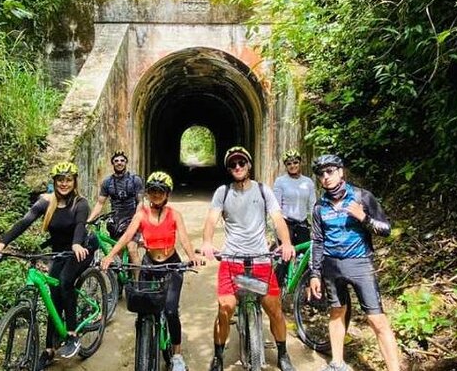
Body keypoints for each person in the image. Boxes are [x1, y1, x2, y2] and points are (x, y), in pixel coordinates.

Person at [0, 161, 98, 370]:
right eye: (60, 180)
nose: (64, 183)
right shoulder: (46, 202)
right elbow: (24, 222)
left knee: (64, 282)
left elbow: (80, 225)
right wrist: (1, 244)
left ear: (74, 182)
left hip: (81, 249)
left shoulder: (80, 203)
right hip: (59, 251)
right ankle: (49, 349)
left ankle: (72, 334)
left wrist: (77, 243)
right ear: (54, 182)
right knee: (53, 297)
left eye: (68, 180)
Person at [201, 146, 296, 371]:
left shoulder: (263, 191)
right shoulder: (222, 192)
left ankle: (282, 353)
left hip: (261, 260)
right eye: (233, 164)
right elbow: (211, 220)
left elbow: (277, 219)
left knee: (275, 311)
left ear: (249, 165)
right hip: (232, 261)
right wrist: (206, 242)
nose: (237, 167)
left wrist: (286, 243)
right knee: (224, 309)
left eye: (241, 163)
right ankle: (218, 356)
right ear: (228, 169)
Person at [308, 154, 401, 371]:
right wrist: (314, 274)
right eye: (321, 174)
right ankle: (337, 363)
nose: (325, 177)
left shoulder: (362, 197)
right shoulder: (320, 206)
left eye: (330, 171)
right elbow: (318, 241)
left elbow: (386, 230)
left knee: (377, 320)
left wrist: (364, 218)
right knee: (337, 312)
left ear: (341, 171)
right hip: (331, 266)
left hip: (360, 264)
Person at [101, 171, 198, 371]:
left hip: (171, 265)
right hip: (149, 265)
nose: (156, 195)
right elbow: (128, 236)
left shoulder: (174, 214)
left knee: (170, 310)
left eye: (160, 191)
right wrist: (110, 256)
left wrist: (192, 257)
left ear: (167, 194)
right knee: (143, 308)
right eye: (152, 191)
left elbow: (185, 239)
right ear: (148, 193)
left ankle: (177, 356)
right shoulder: (141, 214)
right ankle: (144, 339)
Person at [88, 150, 144, 266]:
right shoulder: (107, 183)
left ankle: (137, 282)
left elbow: (140, 202)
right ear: (112, 164)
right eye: (116, 161)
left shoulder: (135, 180)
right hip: (116, 222)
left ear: (126, 163)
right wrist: (89, 220)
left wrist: (137, 219)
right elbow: (100, 203)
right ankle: (120, 283)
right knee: (117, 254)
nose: (119, 163)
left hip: (131, 219)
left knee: (131, 249)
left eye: (122, 160)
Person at [272, 148, 316, 287]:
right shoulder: (280, 181)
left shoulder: (308, 182)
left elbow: (313, 205)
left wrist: (316, 224)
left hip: (302, 223)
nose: (292, 166)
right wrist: (276, 224)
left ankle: (305, 291)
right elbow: (276, 206)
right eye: (289, 163)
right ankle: (276, 290)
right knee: (285, 257)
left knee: (307, 257)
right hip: (286, 223)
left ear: (300, 163)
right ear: (286, 166)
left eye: (295, 162)